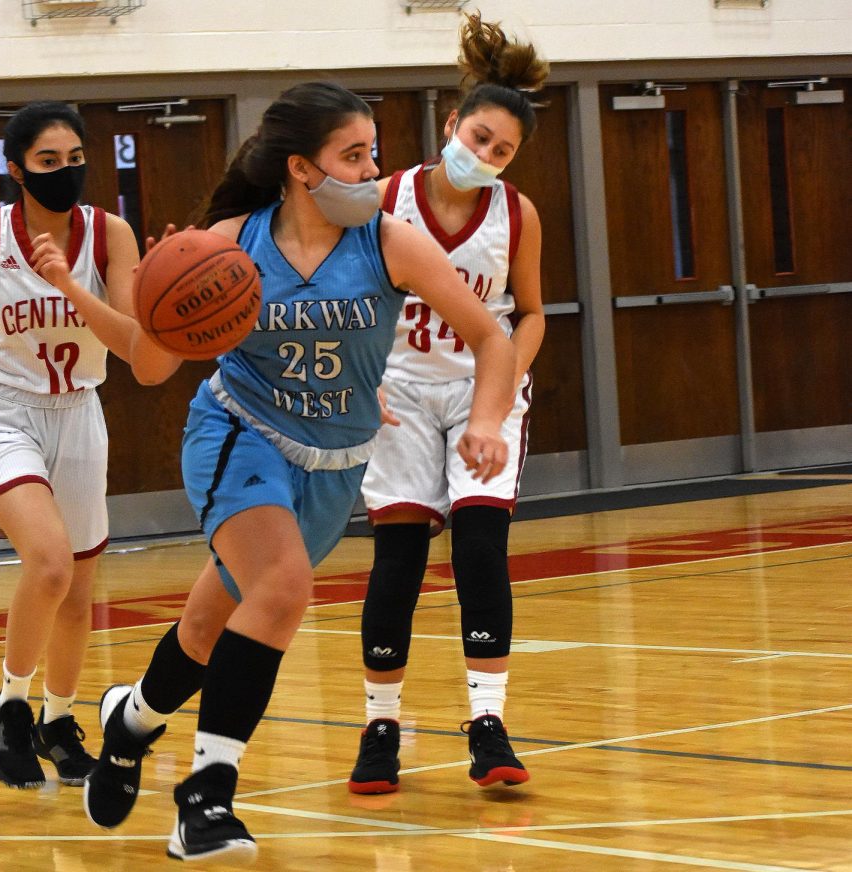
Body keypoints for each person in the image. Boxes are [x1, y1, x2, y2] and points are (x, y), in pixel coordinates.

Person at [81, 81, 515, 864]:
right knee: (283, 589)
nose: (372, 169)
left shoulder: (391, 242)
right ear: (301, 169)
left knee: (210, 627)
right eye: (353, 155)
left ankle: (130, 724)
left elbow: (492, 338)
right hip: (238, 436)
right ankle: (206, 800)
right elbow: (149, 367)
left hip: (336, 465)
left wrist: (484, 420)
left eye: (373, 152)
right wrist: (149, 296)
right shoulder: (227, 244)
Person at [347, 12, 549, 795]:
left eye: (504, 151)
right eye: (481, 137)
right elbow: (348, 302)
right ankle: (380, 725)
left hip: (480, 388)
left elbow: (528, 315)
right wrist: (359, 380)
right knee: (397, 561)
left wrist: (492, 412)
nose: (488, 156)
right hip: (394, 390)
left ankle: (488, 723)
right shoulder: (380, 200)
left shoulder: (516, 214)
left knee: (478, 549)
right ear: (451, 122)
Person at [0, 102, 171, 790]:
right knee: (47, 564)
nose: (67, 172)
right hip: (0, 411)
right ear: (15, 170)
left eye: (76, 159)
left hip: (79, 409)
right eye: (49, 162)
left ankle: (58, 720)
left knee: (77, 591)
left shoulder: (110, 235)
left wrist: (70, 286)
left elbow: (133, 345)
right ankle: (10, 710)